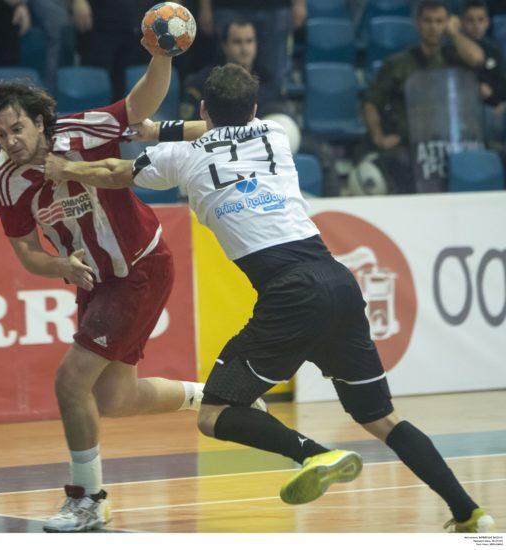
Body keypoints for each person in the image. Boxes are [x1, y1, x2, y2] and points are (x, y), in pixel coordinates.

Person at [44, 63, 496, 534]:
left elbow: (115, 171)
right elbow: (222, 126)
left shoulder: (181, 159)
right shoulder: (275, 134)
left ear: (203, 108)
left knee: (215, 414)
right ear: (254, 109)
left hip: (289, 295)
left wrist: (67, 167)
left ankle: (316, 455)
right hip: (338, 281)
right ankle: (469, 513)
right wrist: (161, 129)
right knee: (382, 418)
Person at [0, 38, 264, 534]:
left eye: (18, 128)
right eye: (1, 133)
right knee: (113, 399)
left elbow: (139, 107)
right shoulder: (6, 177)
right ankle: (214, 394)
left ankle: (88, 500)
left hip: (139, 267)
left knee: (70, 382)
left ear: (40, 122)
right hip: (94, 280)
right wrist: (60, 267)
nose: (11, 141)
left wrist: (162, 54)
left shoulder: (81, 132)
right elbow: (26, 252)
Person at [363, 0, 484, 194]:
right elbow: (371, 102)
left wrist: (454, 33)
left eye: (439, 21)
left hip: (452, 141)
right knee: (397, 161)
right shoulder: (398, 64)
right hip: (410, 144)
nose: (433, 27)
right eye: (428, 21)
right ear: (417, 23)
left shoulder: (455, 59)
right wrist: (379, 136)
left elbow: (477, 59)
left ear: (447, 23)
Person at [179, 18, 286, 120]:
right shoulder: (203, 81)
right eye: (237, 42)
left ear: (256, 44)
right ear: (225, 45)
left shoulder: (268, 81)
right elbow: (189, 121)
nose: (244, 48)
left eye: (249, 41)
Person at [197, 0, 306, 98]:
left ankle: (271, 111)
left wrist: (299, 3)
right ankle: (225, 114)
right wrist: (205, 6)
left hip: (274, 7)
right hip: (227, 5)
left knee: (273, 79)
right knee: (222, 72)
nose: (244, 48)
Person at [461, 0, 506, 107]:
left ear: (487, 23)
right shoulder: (454, 49)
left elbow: (503, 84)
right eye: (470, 20)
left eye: (481, 20)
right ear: (462, 23)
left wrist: (491, 91)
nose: (476, 25)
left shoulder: (494, 49)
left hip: (490, 107)